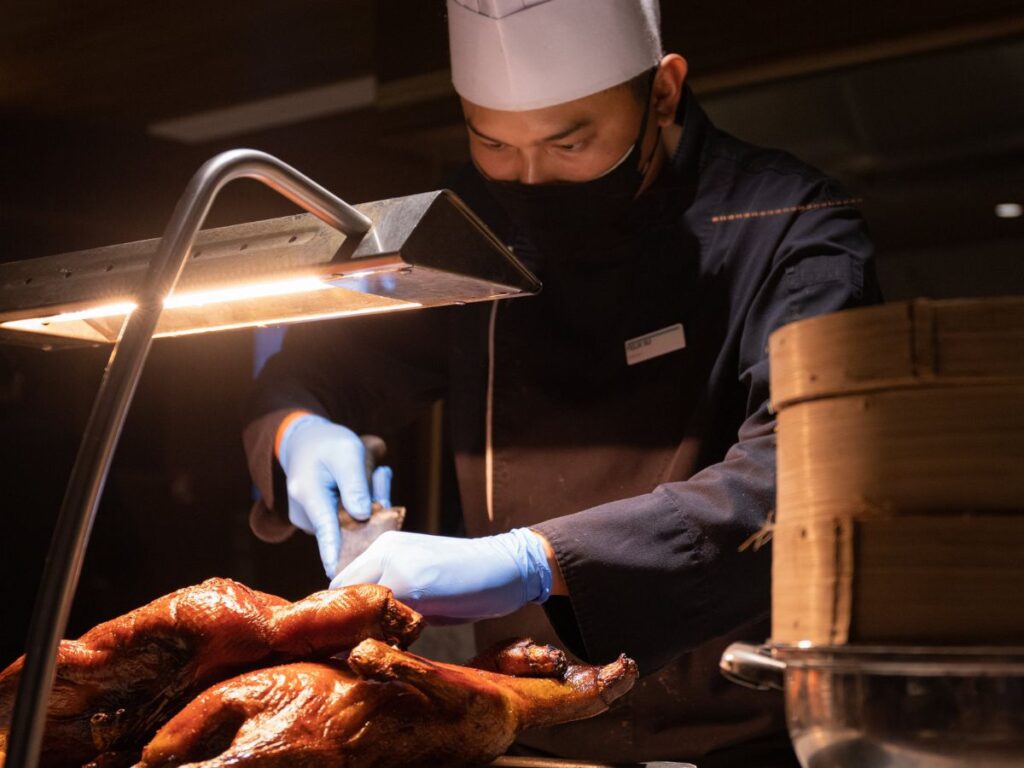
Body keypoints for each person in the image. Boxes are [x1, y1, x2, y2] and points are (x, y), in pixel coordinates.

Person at [243, 1, 881, 764]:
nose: (530, 177)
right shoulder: (471, 223)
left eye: (569, 141)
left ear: (664, 92)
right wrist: (294, 427)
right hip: (520, 719)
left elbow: (804, 473)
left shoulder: (791, 225)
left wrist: (533, 562)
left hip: (739, 728)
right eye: (493, 142)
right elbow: (327, 368)